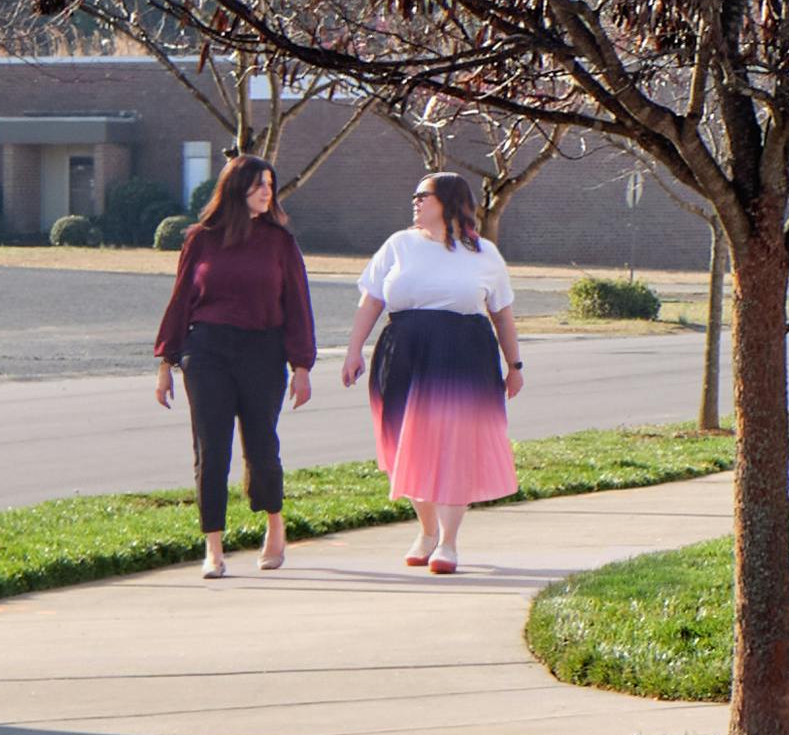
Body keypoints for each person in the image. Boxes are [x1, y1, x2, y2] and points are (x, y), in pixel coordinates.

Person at [146, 153, 318, 576]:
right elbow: (181, 298)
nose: (266, 192)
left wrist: (302, 366)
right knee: (211, 448)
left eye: (270, 185)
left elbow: (297, 304)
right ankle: (214, 547)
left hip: (263, 351)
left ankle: (275, 525)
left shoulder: (280, 242)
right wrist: (166, 361)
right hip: (206, 352)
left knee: (262, 449)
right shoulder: (201, 239)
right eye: (259, 183)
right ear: (236, 187)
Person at [342, 170, 521, 576]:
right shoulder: (399, 245)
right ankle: (425, 531)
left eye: (423, 195)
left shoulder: (484, 254)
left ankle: (449, 541)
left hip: (463, 356)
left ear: (449, 201)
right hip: (403, 350)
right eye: (415, 196)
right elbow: (370, 302)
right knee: (406, 442)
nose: (415, 202)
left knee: (453, 446)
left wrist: (515, 365)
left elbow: (502, 314)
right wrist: (354, 350)